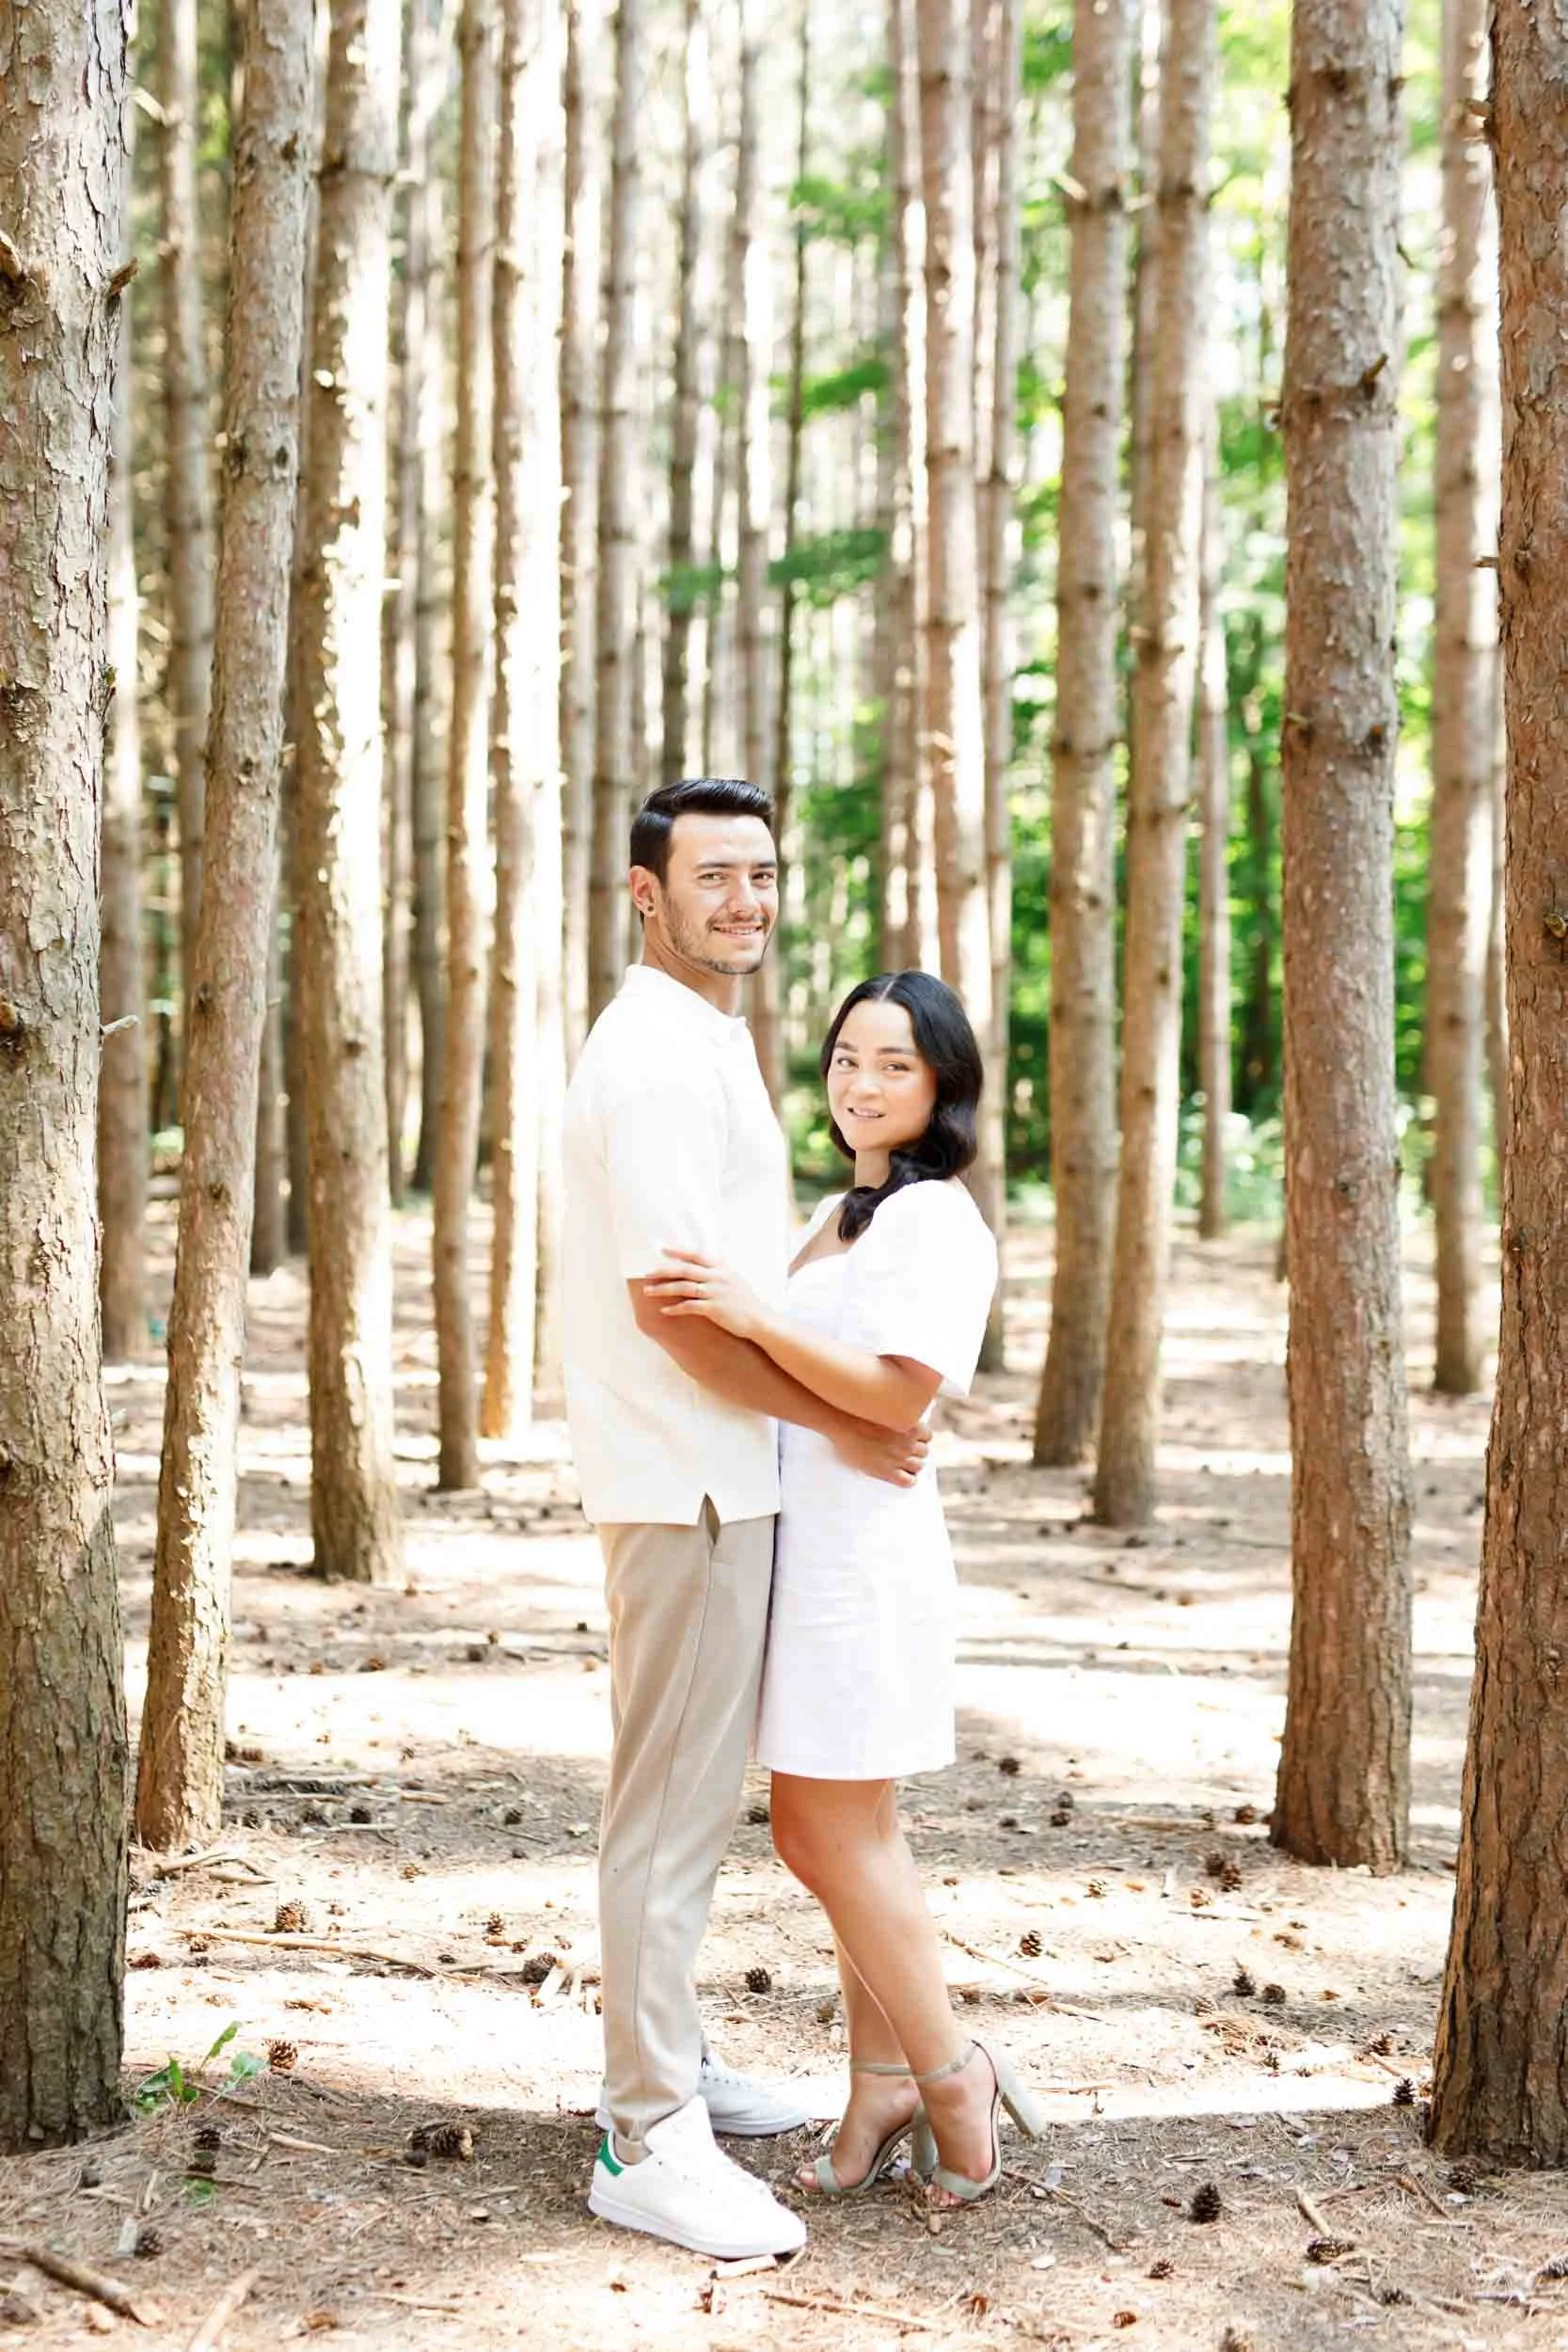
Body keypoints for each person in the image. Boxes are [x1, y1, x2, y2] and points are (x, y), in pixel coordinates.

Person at [562, 779, 931, 2260]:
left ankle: (675, 2063)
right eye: (712, 877)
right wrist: (850, 1422)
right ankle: (642, 2131)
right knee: (665, 1812)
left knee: (688, 1796)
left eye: (763, 875)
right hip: (688, 1476)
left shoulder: (701, 1041)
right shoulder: (654, 1059)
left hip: (718, 1473)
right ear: (645, 895)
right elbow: (674, 1320)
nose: (746, 902)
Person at [644, 970, 1045, 2211]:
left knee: (824, 1830)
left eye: (895, 1066)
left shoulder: (936, 1221)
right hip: (804, 1544)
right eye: (847, 1060)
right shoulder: (838, 1211)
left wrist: (760, 1315)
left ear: (942, 1089)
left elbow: (896, 1393)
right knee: (849, 1830)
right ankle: (878, 2076)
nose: (863, 1086)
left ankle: (952, 2068)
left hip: (859, 1562)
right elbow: (817, 1383)